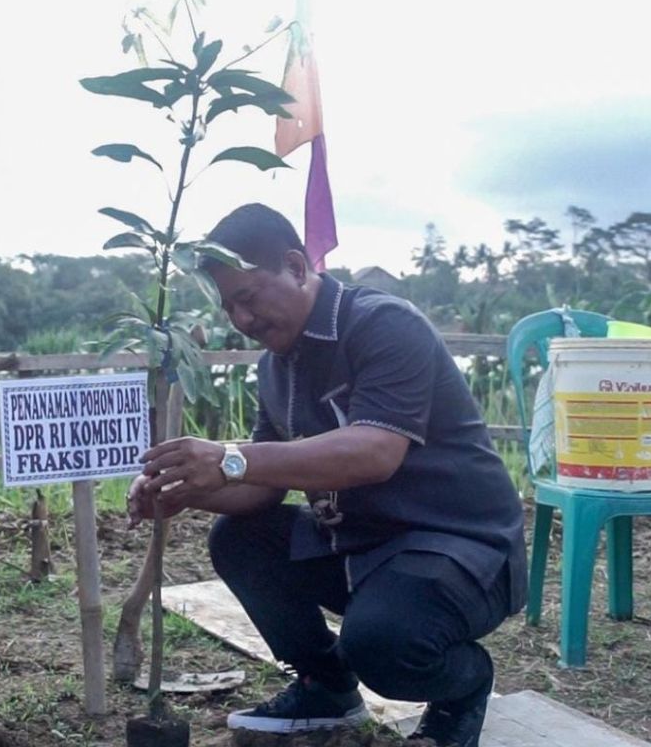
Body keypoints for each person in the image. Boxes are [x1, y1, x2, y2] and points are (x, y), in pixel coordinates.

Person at [128, 204, 526, 746]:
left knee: (382, 642)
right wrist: (187, 492)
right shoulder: (275, 366)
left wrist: (225, 457)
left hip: (460, 548)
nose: (242, 320)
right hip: (360, 545)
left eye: (247, 298)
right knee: (241, 540)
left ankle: (463, 686)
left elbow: (375, 451)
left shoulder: (383, 325)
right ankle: (328, 688)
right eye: (228, 308)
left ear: (295, 266)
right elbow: (264, 483)